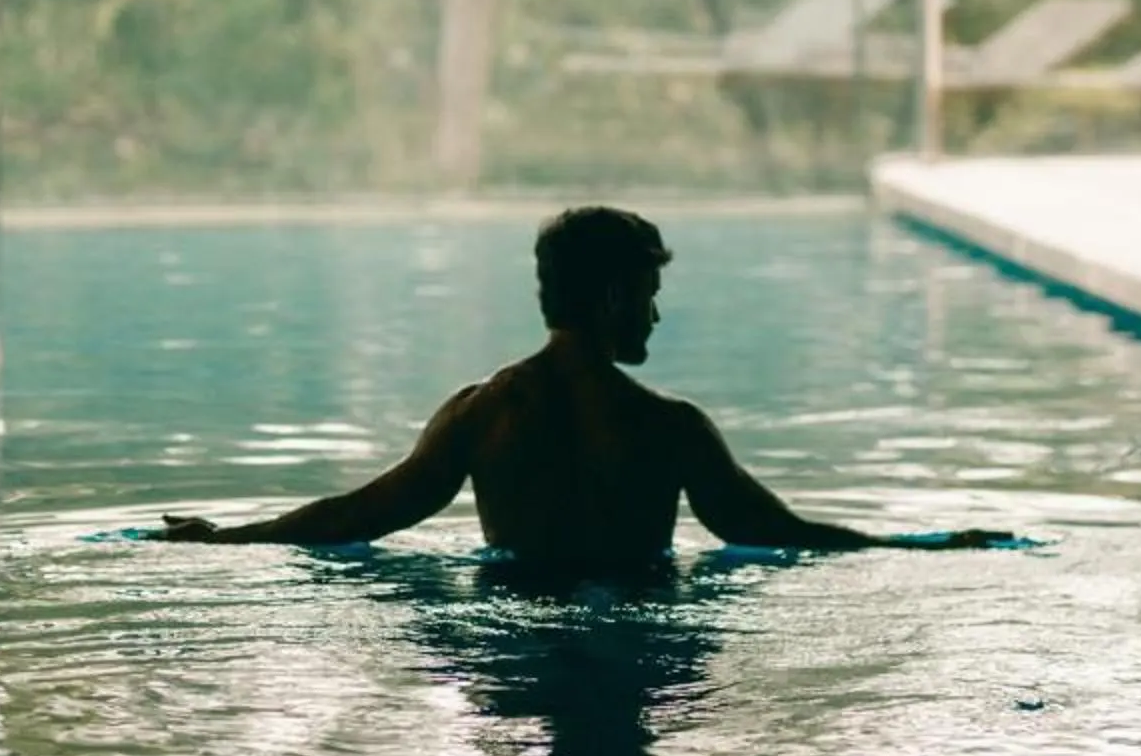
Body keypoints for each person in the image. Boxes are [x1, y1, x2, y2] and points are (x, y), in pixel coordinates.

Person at [155, 205, 1011, 568]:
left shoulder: (482, 414)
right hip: (643, 621)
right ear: (611, 298)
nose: (654, 318)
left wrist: (224, 538)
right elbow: (774, 535)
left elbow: (359, 517)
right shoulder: (671, 429)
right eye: (648, 297)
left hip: (514, 626)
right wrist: (927, 546)